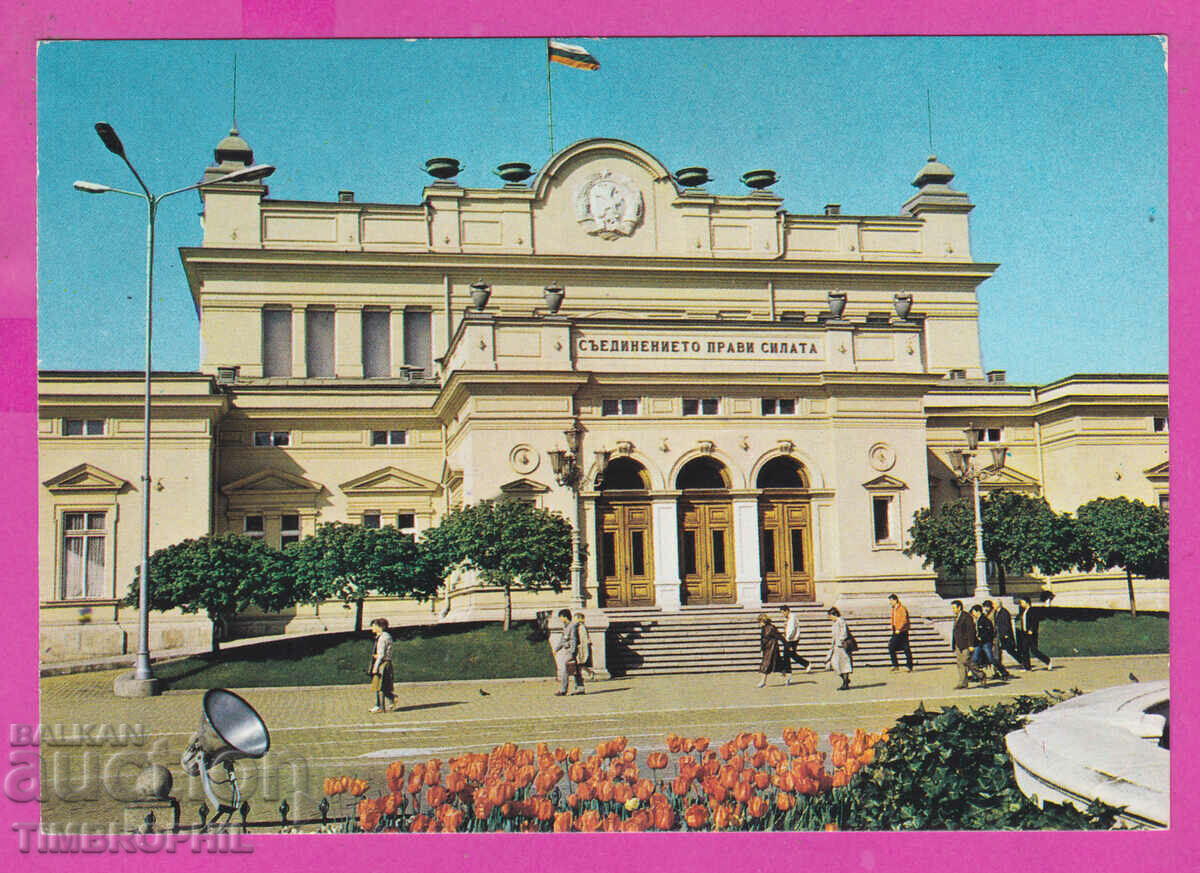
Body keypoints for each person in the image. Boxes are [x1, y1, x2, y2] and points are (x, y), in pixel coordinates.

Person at [951, 600, 986, 689]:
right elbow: (955, 632)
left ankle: (981, 675)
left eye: (954, 608)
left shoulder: (966, 617)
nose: (953, 610)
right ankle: (963, 683)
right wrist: (954, 644)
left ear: (959, 607)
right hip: (958, 644)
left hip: (966, 644)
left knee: (967, 662)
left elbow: (971, 631)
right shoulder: (956, 617)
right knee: (960, 664)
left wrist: (971, 645)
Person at [970, 604, 1008, 679]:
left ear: (978, 612)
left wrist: (982, 637)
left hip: (986, 643)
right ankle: (978, 675)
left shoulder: (985, 620)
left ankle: (1003, 671)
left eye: (973, 612)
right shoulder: (976, 620)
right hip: (978, 644)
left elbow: (989, 632)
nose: (973, 614)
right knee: (974, 660)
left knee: (991, 659)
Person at [1016, 596, 1053, 670]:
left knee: (1034, 650)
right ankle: (1027, 667)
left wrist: (1032, 630)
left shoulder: (1032, 611)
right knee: (1024, 650)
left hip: (1031, 633)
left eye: (1022, 602)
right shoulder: (1024, 611)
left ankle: (1048, 661)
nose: (1021, 604)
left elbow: (1035, 621)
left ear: (1027, 602)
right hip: (1024, 633)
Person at [552, 608, 583, 696]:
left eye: (561, 617)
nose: (561, 619)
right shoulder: (566, 626)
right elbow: (562, 640)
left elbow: (574, 639)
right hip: (567, 650)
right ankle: (580, 688)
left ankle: (563, 689)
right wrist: (556, 649)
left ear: (565, 617)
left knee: (564, 669)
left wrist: (572, 652)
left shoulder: (572, 626)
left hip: (570, 651)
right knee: (574, 669)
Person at [368, 618, 396, 713]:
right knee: (380, 686)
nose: (372, 628)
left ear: (380, 627)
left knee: (380, 686)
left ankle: (380, 706)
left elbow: (381, 655)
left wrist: (375, 668)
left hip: (382, 663)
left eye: (373, 626)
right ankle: (389, 700)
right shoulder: (383, 636)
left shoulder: (383, 638)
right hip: (384, 662)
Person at [823, 607, 853, 691]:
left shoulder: (841, 621)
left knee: (844, 664)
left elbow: (844, 633)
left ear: (834, 614)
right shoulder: (835, 623)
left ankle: (845, 683)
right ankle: (845, 680)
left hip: (842, 647)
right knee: (835, 664)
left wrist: (841, 641)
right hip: (836, 647)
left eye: (830, 616)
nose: (830, 618)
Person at [757, 613, 791, 687]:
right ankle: (787, 677)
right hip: (767, 649)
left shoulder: (771, 628)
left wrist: (787, 645)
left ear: (763, 621)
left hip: (772, 649)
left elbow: (780, 636)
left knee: (766, 665)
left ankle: (763, 681)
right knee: (774, 665)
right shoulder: (763, 628)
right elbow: (762, 640)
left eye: (760, 621)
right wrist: (762, 648)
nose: (759, 623)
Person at [982, 600, 1013, 679]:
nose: (985, 609)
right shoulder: (990, 613)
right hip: (992, 637)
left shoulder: (994, 613)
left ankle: (1001, 672)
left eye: (986, 607)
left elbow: (996, 625)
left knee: (996, 656)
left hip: (995, 637)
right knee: (994, 656)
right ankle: (997, 672)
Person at [780, 605, 812, 673]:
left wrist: (787, 638)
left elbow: (792, 629)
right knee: (787, 654)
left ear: (787, 611)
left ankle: (806, 664)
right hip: (790, 639)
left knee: (791, 654)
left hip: (792, 639)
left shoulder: (792, 618)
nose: (783, 614)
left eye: (783, 612)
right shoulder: (788, 618)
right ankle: (787, 669)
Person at [887, 593, 914, 672]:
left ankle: (909, 666)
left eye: (891, 601)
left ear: (895, 600)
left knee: (906, 648)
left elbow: (904, 620)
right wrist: (892, 626)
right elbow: (893, 619)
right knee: (891, 646)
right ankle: (895, 665)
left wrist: (899, 628)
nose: (890, 602)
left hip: (902, 631)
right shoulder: (894, 609)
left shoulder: (902, 608)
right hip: (896, 631)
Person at [993, 598, 1021, 664]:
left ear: (998, 605)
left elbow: (1006, 624)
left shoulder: (1004, 612)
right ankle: (999, 663)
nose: (993, 605)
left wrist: (1006, 634)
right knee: (1000, 649)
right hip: (999, 633)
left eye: (994, 604)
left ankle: (1021, 660)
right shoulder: (996, 612)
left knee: (1010, 649)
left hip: (1005, 634)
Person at [573, 612, 595, 682]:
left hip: (581, 647)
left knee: (580, 663)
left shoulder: (582, 627)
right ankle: (586, 673)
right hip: (579, 646)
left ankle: (583, 675)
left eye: (576, 618)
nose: (574, 620)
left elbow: (583, 639)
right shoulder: (577, 626)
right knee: (579, 663)